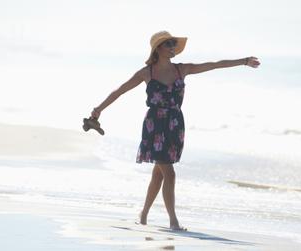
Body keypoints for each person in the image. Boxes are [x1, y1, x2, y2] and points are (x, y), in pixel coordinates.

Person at [90, 31, 260, 231]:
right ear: (158, 48)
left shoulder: (183, 69)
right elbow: (120, 90)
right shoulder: (147, 73)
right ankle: (173, 221)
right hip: (155, 125)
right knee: (169, 173)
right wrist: (98, 109)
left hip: (175, 124)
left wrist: (244, 61)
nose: (172, 47)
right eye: (169, 43)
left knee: (159, 174)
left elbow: (214, 64)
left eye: (173, 44)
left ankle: (143, 214)